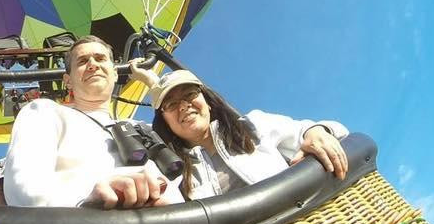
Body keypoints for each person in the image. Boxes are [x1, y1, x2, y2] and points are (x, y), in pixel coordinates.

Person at [2, 36, 183, 209]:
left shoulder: (141, 127)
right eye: (82, 61)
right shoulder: (45, 112)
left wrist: (151, 80)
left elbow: (197, 136)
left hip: (178, 223)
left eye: (100, 59)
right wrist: (88, 197)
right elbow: (24, 189)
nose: (93, 65)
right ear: (68, 81)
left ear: (115, 73)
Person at [130, 65, 349, 200]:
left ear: (208, 102)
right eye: (171, 104)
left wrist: (318, 131)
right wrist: (148, 79)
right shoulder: (171, 169)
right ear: (164, 121)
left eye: (189, 94)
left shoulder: (252, 126)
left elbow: (314, 130)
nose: (183, 106)